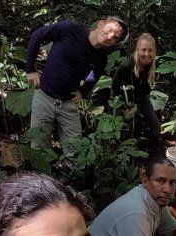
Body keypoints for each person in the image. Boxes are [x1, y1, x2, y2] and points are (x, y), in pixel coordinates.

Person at [26, 16, 128, 164]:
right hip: (44, 97)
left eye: (115, 38)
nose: (110, 36)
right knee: (39, 148)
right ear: (101, 24)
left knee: (76, 151)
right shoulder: (69, 29)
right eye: (110, 30)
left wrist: (83, 91)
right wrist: (30, 69)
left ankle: (72, 182)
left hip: (68, 103)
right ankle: (40, 184)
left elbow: (94, 75)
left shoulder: (101, 58)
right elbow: (37, 35)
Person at [112, 33, 168, 153]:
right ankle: (121, 152)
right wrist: (125, 107)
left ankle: (158, 145)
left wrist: (137, 105)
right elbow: (114, 87)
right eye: (143, 50)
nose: (147, 54)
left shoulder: (152, 65)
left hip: (140, 98)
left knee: (155, 123)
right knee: (121, 128)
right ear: (138, 50)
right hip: (122, 100)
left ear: (154, 52)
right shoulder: (126, 65)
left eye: (150, 50)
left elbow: (146, 89)